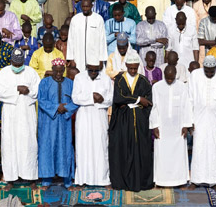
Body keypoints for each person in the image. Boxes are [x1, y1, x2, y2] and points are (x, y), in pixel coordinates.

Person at [0, 48, 40, 191]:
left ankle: (31, 177)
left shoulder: (31, 72)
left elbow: (37, 90)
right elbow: (0, 93)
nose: (17, 66)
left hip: (26, 113)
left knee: (29, 144)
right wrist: (17, 89)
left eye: (20, 63)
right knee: (10, 145)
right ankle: (10, 178)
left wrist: (28, 91)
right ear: (11, 61)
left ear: (23, 61)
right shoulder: (3, 73)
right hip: (11, 114)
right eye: (15, 63)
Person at [109, 53, 153, 191]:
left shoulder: (144, 81)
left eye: (135, 68)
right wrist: (139, 100)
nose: (133, 71)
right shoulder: (119, 80)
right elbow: (118, 98)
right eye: (131, 68)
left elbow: (149, 102)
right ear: (126, 66)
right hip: (123, 121)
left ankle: (141, 182)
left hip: (139, 122)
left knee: (140, 150)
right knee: (123, 150)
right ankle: (123, 182)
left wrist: (130, 102)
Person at [188, 56, 216, 188]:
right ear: (203, 67)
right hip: (198, 119)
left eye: (212, 71)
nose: (209, 73)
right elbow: (190, 98)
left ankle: (214, 180)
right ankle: (196, 179)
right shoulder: (195, 75)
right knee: (198, 148)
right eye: (207, 70)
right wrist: (189, 120)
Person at [37, 58, 78, 190]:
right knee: (47, 148)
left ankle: (67, 180)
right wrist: (56, 107)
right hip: (49, 121)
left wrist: (65, 109)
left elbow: (76, 100)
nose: (59, 74)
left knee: (64, 148)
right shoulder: (44, 83)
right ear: (52, 70)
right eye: (57, 71)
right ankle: (46, 180)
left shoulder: (70, 83)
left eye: (61, 71)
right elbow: (41, 100)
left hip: (64, 122)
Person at [72, 59, 113, 187]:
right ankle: (82, 179)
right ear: (86, 67)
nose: (94, 73)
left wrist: (101, 99)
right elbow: (75, 97)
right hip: (84, 117)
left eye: (97, 70)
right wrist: (92, 97)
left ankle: (103, 179)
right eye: (91, 70)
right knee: (83, 147)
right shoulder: (79, 78)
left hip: (99, 116)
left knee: (101, 146)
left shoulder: (106, 79)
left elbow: (110, 99)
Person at [149, 65, 193, 187]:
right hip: (162, 128)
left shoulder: (182, 87)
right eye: (167, 78)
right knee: (162, 155)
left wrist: (186, 125)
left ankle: (180, 180)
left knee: (178, 155)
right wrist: (155, 126)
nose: (169, 80)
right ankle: (161, 181)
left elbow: (186, 106)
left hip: (178, 128)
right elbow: (154, 107)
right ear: (164, 75)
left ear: (175, 75)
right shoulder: (157, 87)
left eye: (171, 78)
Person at [66, 0, 108, 72]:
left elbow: (102, 40)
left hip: (94, 57)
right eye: (83, 6)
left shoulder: (98, 19)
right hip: (78, 57)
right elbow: (70, 40)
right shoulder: (75, 19)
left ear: (91, 6)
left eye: (87, 6)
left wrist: (102, 59)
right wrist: (71, 58)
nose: (85, 9)